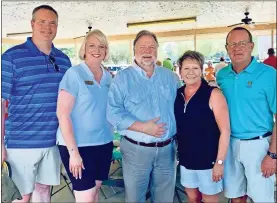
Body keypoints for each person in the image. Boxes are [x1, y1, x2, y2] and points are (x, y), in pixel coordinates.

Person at [1, 5, 72, 203]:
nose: (47, 27)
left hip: (52, 142)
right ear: (32, 24)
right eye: (42, 21)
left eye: (52, 23)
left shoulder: (64, 60)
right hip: (20, 143)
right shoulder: (11, 57)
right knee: (21, 197)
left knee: (43, 192)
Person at [107, 30, 179, 202]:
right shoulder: (122, 79)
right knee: (135, 199)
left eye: (152, 47)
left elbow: (181, 108)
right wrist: (143, 127)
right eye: (142, 47)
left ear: (157, 50)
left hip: (167, 151)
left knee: (165, 198)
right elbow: (112, 112)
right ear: (134, 51)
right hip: (135, 151)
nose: (147, 51)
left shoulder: (170, 77)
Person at [217, 27, 276, 203]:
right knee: (236, 196)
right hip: (230, 144)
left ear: (251, 46)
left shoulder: (269, 75)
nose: (237, 48)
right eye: (233, 44)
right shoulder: (222, 75)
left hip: (259, 145)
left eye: (242, 43)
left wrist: (272, 155)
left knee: (262, 198)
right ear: (227, 48)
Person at [56, 29, 113, 203]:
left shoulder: (109, 77)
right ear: (84, 49)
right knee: (86, 197)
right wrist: (74, 153)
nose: (97, 50)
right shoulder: (74, 74)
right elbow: (62, 114)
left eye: (101, 46)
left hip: (103, 143)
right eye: (92, 45)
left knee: (94, 191)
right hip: (78, 146)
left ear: (106, 51)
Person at [174, 50, 230, 203]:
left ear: (202, 70)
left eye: (195, 68)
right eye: (186, 68)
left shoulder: (213, 94)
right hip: (186, 159)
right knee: (192, 197)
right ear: (180, 71)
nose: (190, 72)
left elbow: (225, 131)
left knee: (209, 198)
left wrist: (219, 162)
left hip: (209, 161)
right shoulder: (178, 94)